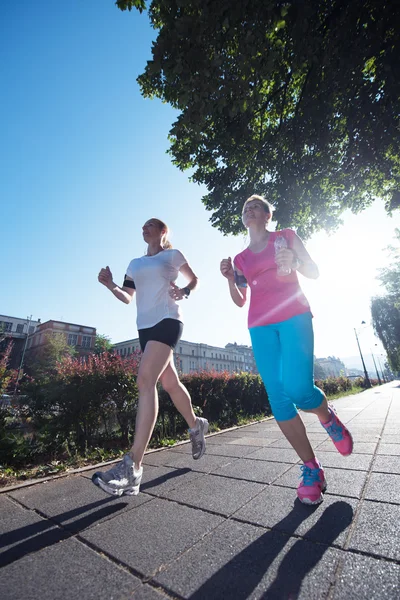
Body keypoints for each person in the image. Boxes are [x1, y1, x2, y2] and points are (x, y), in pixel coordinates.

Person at [220, 195, 353, 505]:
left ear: (268, 215)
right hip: (260, 325)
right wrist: (230, 279)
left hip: (294, 314)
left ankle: (327, 416)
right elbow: (240, 299)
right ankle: (311, 469)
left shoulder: (286, 237)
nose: (248, 209)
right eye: (244, 207)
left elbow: (315, 271)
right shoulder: (240, 259)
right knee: (278, 398)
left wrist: (295, 262)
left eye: (255, 206)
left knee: (299, 390)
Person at [92, 217, 209, 497]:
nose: (144, 229)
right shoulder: (134, 264)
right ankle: (196, 425)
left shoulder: (172, 255)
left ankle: (132, 467)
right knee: (169, 383)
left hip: (168, 319)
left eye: (150, 225)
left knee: (145, 381)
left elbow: (195, 279)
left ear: (162, 231)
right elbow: (128, 296)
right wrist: (110, 285)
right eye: (142, 226)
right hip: (144, 328)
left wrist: (185, 291)